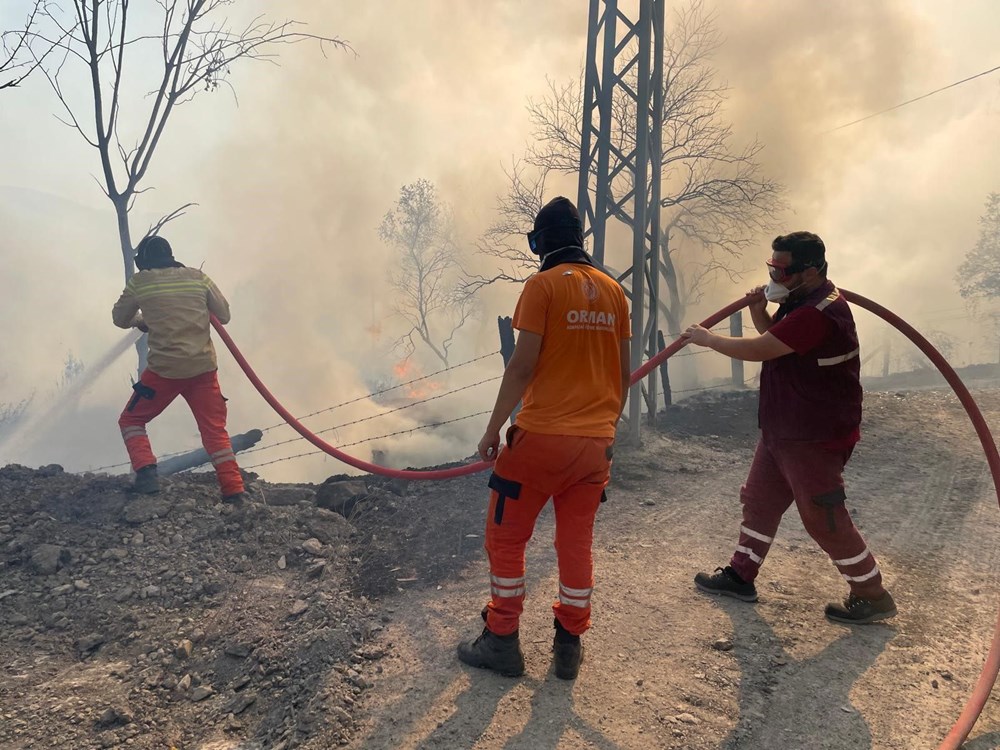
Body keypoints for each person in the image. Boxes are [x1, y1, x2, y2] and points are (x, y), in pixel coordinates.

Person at [457, 196, 631, 679]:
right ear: (580, 239)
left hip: (540, 443)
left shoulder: (542, 286)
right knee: (575, 544)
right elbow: (623, 374)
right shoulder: (615, 292)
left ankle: (502, 639)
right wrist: (604, 429)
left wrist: (493, 431)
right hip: (595, 448)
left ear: (541, 242)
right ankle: (569, 642)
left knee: (506, 537)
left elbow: (523, 365)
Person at [683, 231, 896, 624]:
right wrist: (757, 310)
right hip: (783, 430)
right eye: (772, 267)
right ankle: (740, 575)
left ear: (810, 270)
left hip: (814, 436)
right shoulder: (801, 301)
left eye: (782, 269)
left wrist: (708, 339)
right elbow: (774, 339)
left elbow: (761, 350)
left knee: (823, 519)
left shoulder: (817, 313)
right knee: (759, 502)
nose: (774, 275)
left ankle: (871, 593)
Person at [112, 235, 246, 502]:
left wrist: (143, 319)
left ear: (144, 262)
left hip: (164, 373)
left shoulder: (141, 282)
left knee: (131, 420)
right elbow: (225, 315)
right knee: (215, 432)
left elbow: (119, 319)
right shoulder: (198, 278)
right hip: (203, 370)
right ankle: (234, 492)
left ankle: (147, 474)